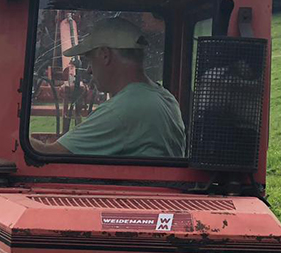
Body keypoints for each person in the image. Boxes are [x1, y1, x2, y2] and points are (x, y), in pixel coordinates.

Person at [31, 17, 185, 158]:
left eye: (90, 61)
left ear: (105, 55)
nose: (90, 70)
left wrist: (13, 136)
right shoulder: (165, 98)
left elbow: (49, 156)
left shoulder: (124, 109)